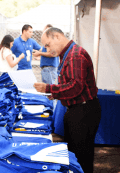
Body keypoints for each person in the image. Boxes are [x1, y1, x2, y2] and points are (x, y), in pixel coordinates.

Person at [34, 27, 101, 173]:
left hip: (83, 111)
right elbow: (70, 84)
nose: (47, 49)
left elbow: (75, 87)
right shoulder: (68, 54)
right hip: (78, 109)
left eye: (47, 44)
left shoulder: (74, 55)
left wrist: (49, 88)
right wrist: (56, 93)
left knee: (80, 158)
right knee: (77, 155)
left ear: (57, 37)